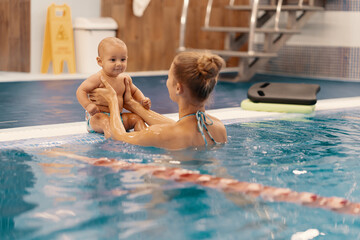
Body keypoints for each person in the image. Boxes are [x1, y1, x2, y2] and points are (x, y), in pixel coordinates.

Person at [90, 51, 227, 150]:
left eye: (169, 77)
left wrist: (112, 101)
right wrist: (131, 103)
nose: (167, 82)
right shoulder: (219, 128)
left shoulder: (160, 134)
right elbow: (182, 127)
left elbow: (119, 138)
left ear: (178, 88)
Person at [76, 37, 151, 138]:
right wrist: (88, 105)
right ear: (100, 61)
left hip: (118, 118)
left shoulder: (125, 78)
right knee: (106, 122)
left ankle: (144, 139)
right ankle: (113, 145)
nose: (119, 63)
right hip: (98, 117)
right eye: (113, 60)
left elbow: (135, 91)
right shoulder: (98, 78)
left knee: (136, 118)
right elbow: (81, 90)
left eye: (123, 59)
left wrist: (142, 100)